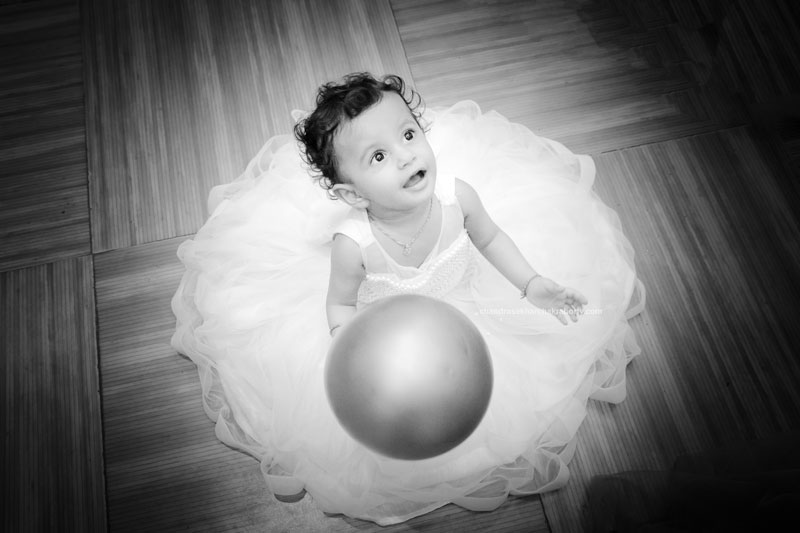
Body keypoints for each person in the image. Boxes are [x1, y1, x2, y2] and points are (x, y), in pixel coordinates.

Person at [171, 72, 645, 525]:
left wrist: (531, 283)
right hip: (389, 337)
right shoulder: (354, 246)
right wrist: (348, 344)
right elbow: (339, 305)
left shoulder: (459, 199)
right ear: (352, 195)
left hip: (464, 315)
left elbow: (492, 239)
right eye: (377, 157)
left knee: (507, 386)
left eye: (409, 136)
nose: (403, 157)